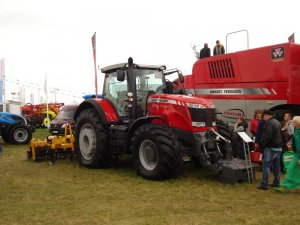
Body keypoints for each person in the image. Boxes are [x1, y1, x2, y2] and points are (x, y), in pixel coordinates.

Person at [257, 110, 282, 190]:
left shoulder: (269, 123)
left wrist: (263, 145)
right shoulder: (277, 122)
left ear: (267, 115)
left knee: (266, 166)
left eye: (263, 116)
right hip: (278, 147)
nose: (263, 118)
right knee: (276, 167)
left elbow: (268, 136)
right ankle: (276, 183)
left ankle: (264, 184)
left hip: (270, 147)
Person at [274, 116, 300, 192]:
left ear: (298, 123)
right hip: (296, 154)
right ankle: (285, 186)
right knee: (291, 170)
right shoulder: (297, 131)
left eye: (294, 122)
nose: (292, 124)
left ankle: (285, 186)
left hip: (299, 155)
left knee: (292, 170)